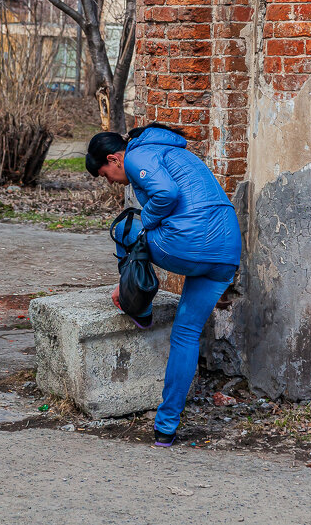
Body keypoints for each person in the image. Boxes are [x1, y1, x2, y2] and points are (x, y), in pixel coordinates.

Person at [85, 122, 241, 447]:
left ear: (114, 159)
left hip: (189, 242)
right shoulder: (170, 150)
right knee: (186, 335)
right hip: (226, 250)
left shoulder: (136, 155)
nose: (110, 181)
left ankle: (136, 303)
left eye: (105, 175)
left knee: (125, 227)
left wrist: (148, 221)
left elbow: (167, 193)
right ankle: (165, 429)